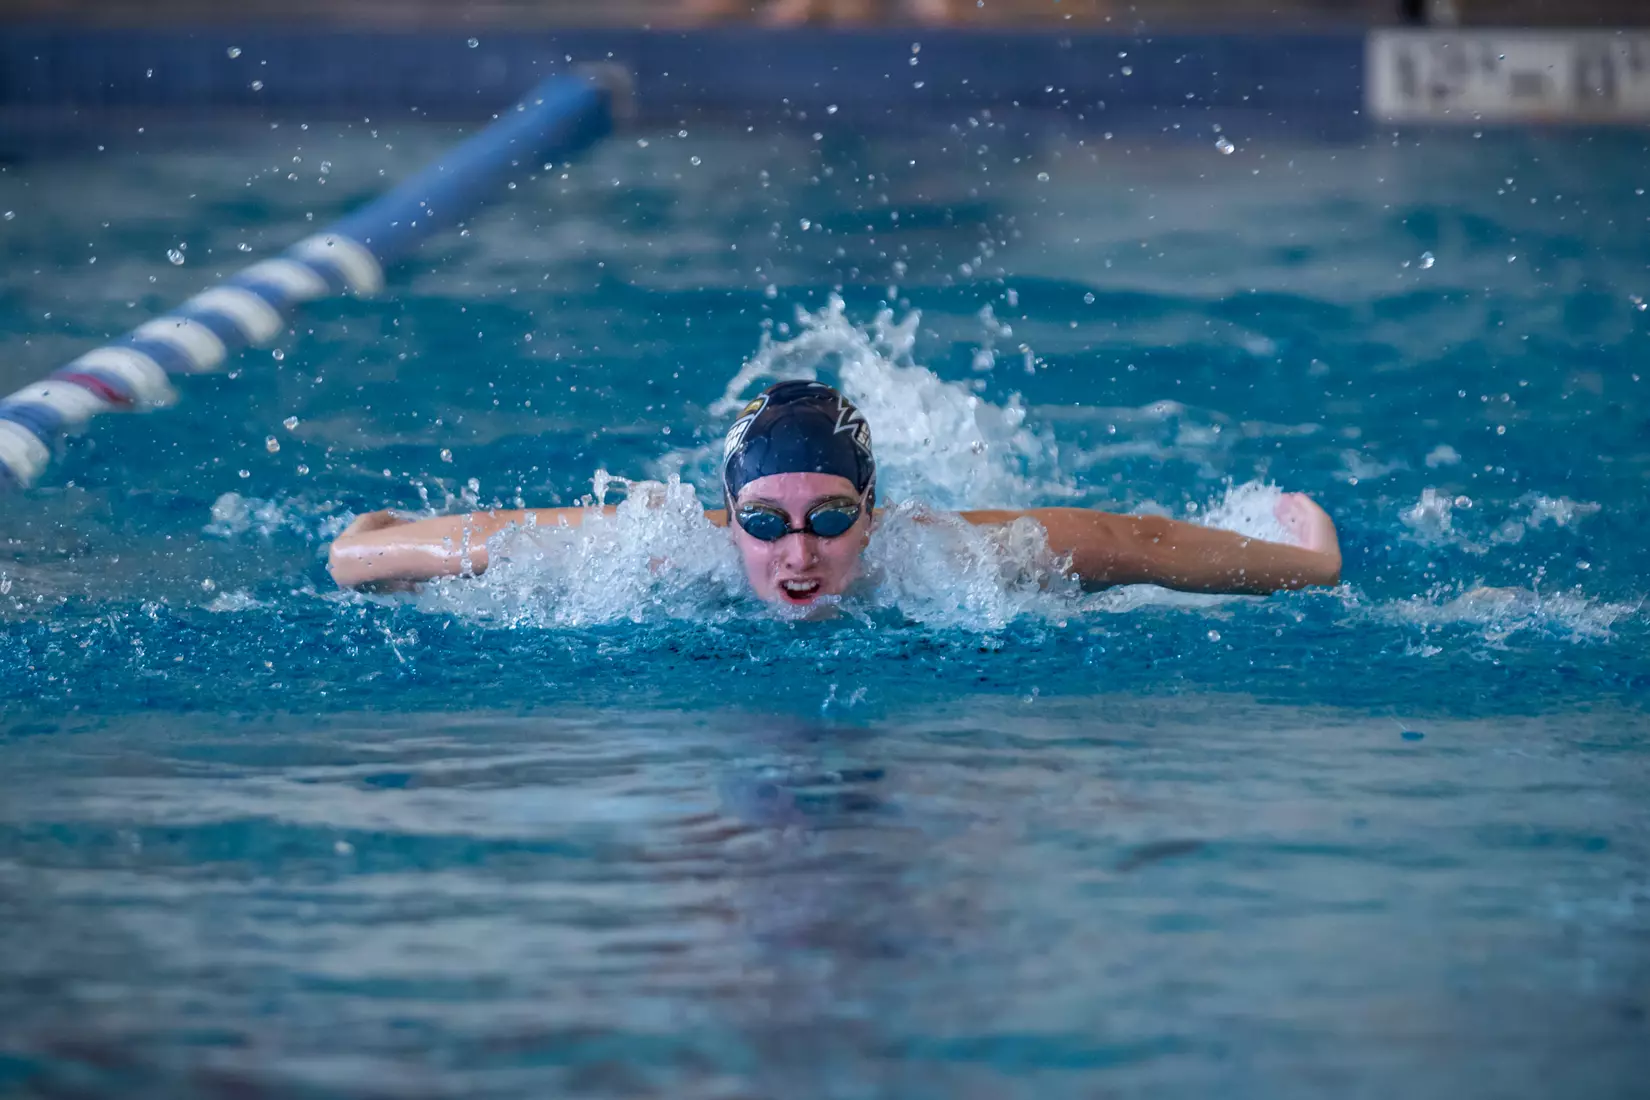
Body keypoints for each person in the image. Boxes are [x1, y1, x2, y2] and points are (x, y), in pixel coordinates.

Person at [327, 380, 1342, 606]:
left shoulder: (952, 553)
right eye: (765, 523)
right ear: (728, 517)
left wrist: (1308, 563)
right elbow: (483, 539)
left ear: (876, 516)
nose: (798, 552)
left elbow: (1139, 544)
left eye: (832, 519)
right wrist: (370, 542)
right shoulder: (656, 546)